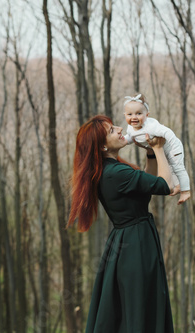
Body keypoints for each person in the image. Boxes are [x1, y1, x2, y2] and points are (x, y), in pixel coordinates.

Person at [68, 115, 174, 332]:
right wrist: (160, 147)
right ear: (103, 146)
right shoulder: (116, 173)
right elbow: (165, 186)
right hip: (136, 246)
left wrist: (151, 152)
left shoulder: (110, 171)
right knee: (139, 305)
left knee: (136, 306)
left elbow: (148, 185)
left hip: (130, 241)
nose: (119, 129)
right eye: (110, 131)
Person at [123, 93, 191, 205]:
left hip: (172, 146)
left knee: (178, 168)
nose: (134, 117)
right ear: (125, 115)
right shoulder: (131, 127)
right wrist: (122, 142)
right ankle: (178, 186)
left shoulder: (151, 127)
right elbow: (130, 137)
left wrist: (174, 145)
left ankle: (186, 191)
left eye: (139, 113)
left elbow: (167, 133)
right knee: (169, 167)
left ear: (147, 115)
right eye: (129, 114)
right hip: (161, 149)